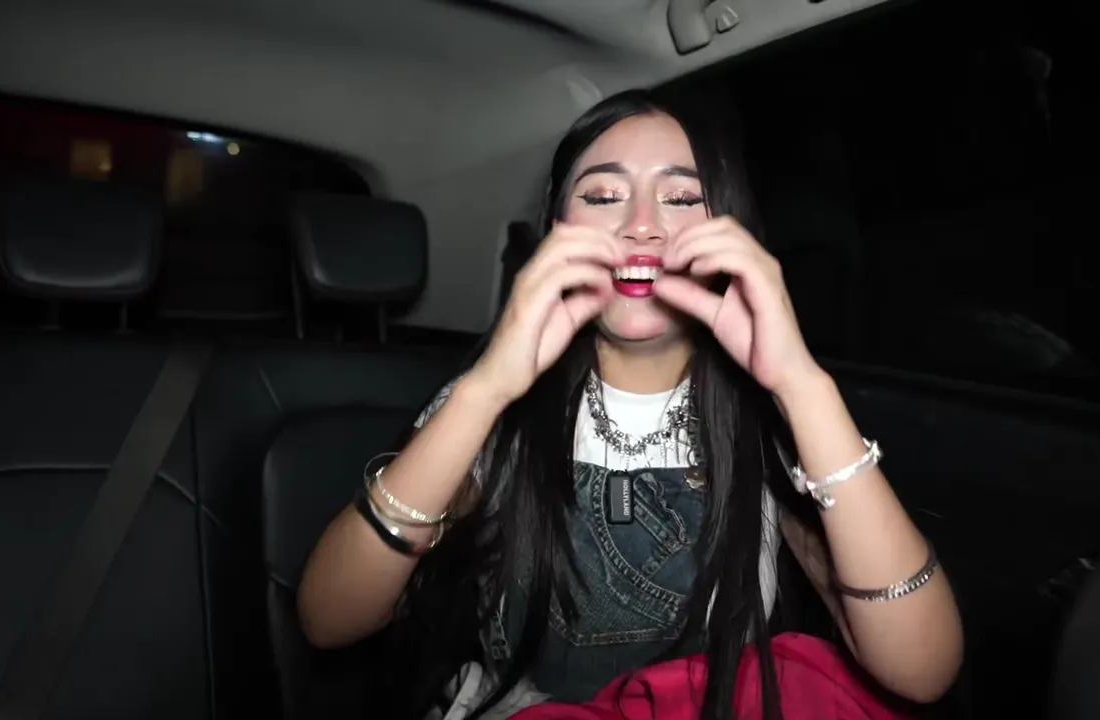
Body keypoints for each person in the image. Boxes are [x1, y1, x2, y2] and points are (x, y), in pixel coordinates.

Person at [296, 87, 964, 720]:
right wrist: (486, 388)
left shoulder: (766, 415)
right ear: (556, 227)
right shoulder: (495, 408)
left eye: (682, 197)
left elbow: (923, 669)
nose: (642, 226)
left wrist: (802, 386)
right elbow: (329, 619)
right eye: (604, 195)